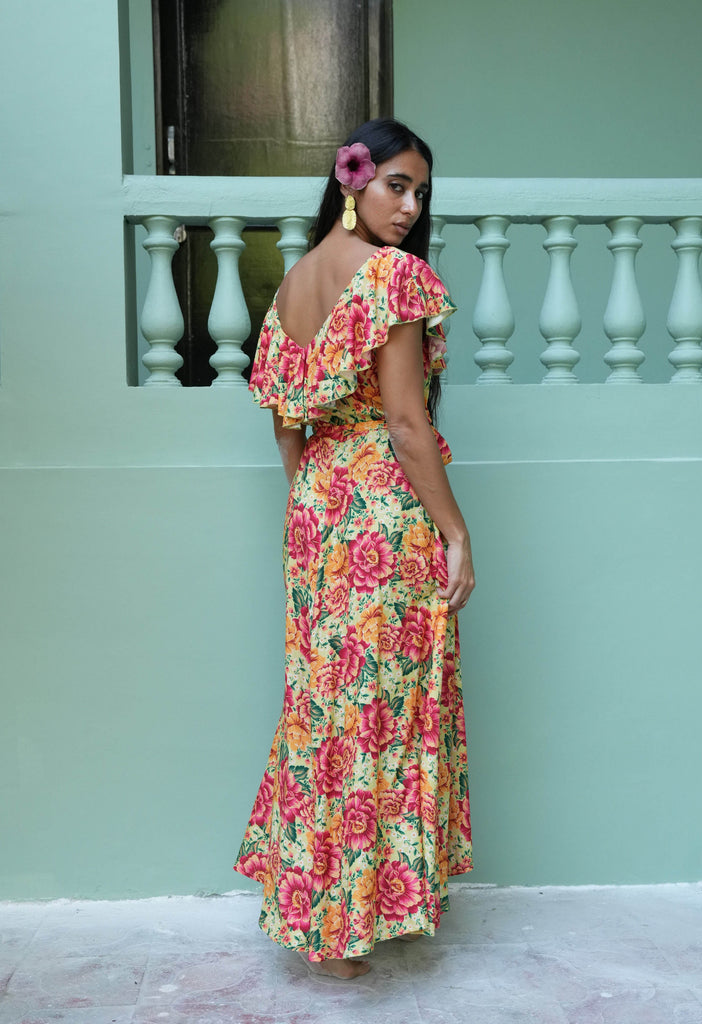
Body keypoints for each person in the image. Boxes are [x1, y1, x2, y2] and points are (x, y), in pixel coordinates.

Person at [234, 118, 474, 980]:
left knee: (325, 709)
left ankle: (326, 915)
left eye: (420, 193)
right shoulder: (390, 277)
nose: (409, 207)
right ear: (353, 181)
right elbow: (407, 424)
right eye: (396, 186)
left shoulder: (294, 283)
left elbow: (286, 423)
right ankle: (351, 924)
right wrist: (456, 531)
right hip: (382, 510)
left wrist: (317, 497)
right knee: (381, 709)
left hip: (316, 509)